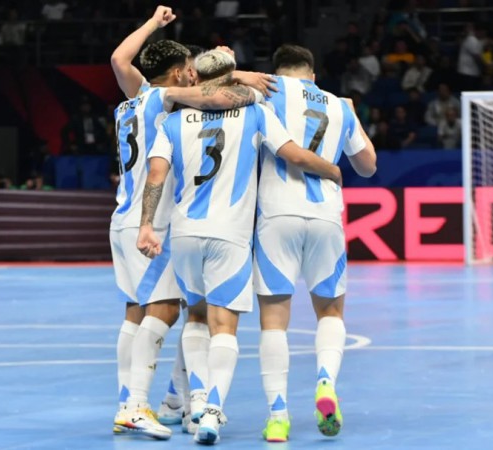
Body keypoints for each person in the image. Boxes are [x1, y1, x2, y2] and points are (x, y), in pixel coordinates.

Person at [137, 49, 343, 445]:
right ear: (235, 76)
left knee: (194, 317)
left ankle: (194, 403)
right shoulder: (255, 112)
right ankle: (212, 411)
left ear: (193, 77)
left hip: (183, 234)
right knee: (224, 327)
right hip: (230, 235)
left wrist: (147, 225)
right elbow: (292, 155)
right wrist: (332, 170)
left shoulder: (172, 121)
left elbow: (156, 175)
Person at [108, 6, 264, 440]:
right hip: (152, 220)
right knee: (165, 311)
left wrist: (153, 25)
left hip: (122, 216)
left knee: (140, 312)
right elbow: (216, 97)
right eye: (188, 71)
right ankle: (134, 403)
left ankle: (159, 399)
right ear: (178, 74)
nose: (193, 77)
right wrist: (240, 75)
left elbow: (119, 60)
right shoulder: (164, 98)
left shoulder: (130, 102)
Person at [254, 44, 377, 442]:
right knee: (330, 312)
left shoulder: (267, 91)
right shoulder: (340, 105)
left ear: (277, 71)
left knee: (274, 319)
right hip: (325, 215)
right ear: (313, 73)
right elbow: (368, 165)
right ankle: (325, 382)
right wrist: (351, 115)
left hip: (277, 213)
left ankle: (278, 416)